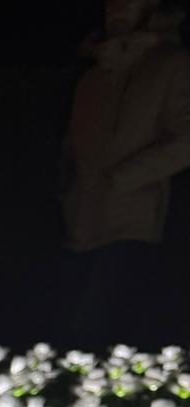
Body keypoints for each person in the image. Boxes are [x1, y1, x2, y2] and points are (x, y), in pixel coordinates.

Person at [60, 1, 190, 349]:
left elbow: (185, 138)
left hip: (136, 224)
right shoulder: (93, 76)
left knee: (109, 333)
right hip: (81, 222)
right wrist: (69, 191)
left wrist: (126, 178)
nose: (117, 9)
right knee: (74, 334)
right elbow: (73, 147)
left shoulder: (170, 64)